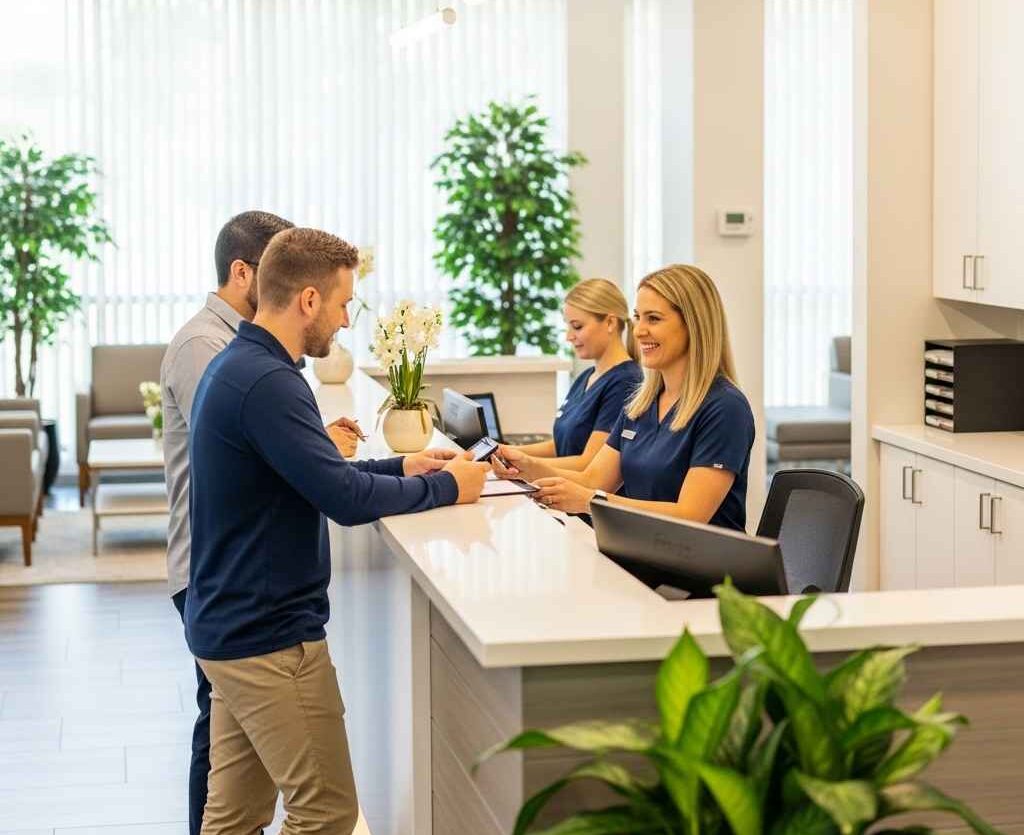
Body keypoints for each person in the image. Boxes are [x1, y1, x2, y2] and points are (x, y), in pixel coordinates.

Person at [185, 227, 488, 834]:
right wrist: (449, 487)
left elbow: (314, 472)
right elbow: (342, 498)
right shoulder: (269, 382)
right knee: (325, 814)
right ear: (307, 301)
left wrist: (402, 465)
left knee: (233, 819)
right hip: (269, 640)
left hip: (229, 628)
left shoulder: (241, 366)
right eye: (344, 302)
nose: (347, 319)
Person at [495, 264, 754, 531]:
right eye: (638, 317)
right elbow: (593, 478)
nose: (639, 330)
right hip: (640, 554)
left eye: (653, 318)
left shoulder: (725, 408)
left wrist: (591, 501)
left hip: (700, 567)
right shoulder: (639, 405)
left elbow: (690, 516)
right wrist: (527, 466)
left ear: (694, 325)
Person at [510, 278, 642, 470]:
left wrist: (522, 464)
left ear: (610, 323)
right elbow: (561, 446)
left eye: (577, 326)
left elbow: (588, 463)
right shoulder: (587, 376)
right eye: (568, 326)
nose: (569, 336)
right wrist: (504, 450)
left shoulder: (625, 382)